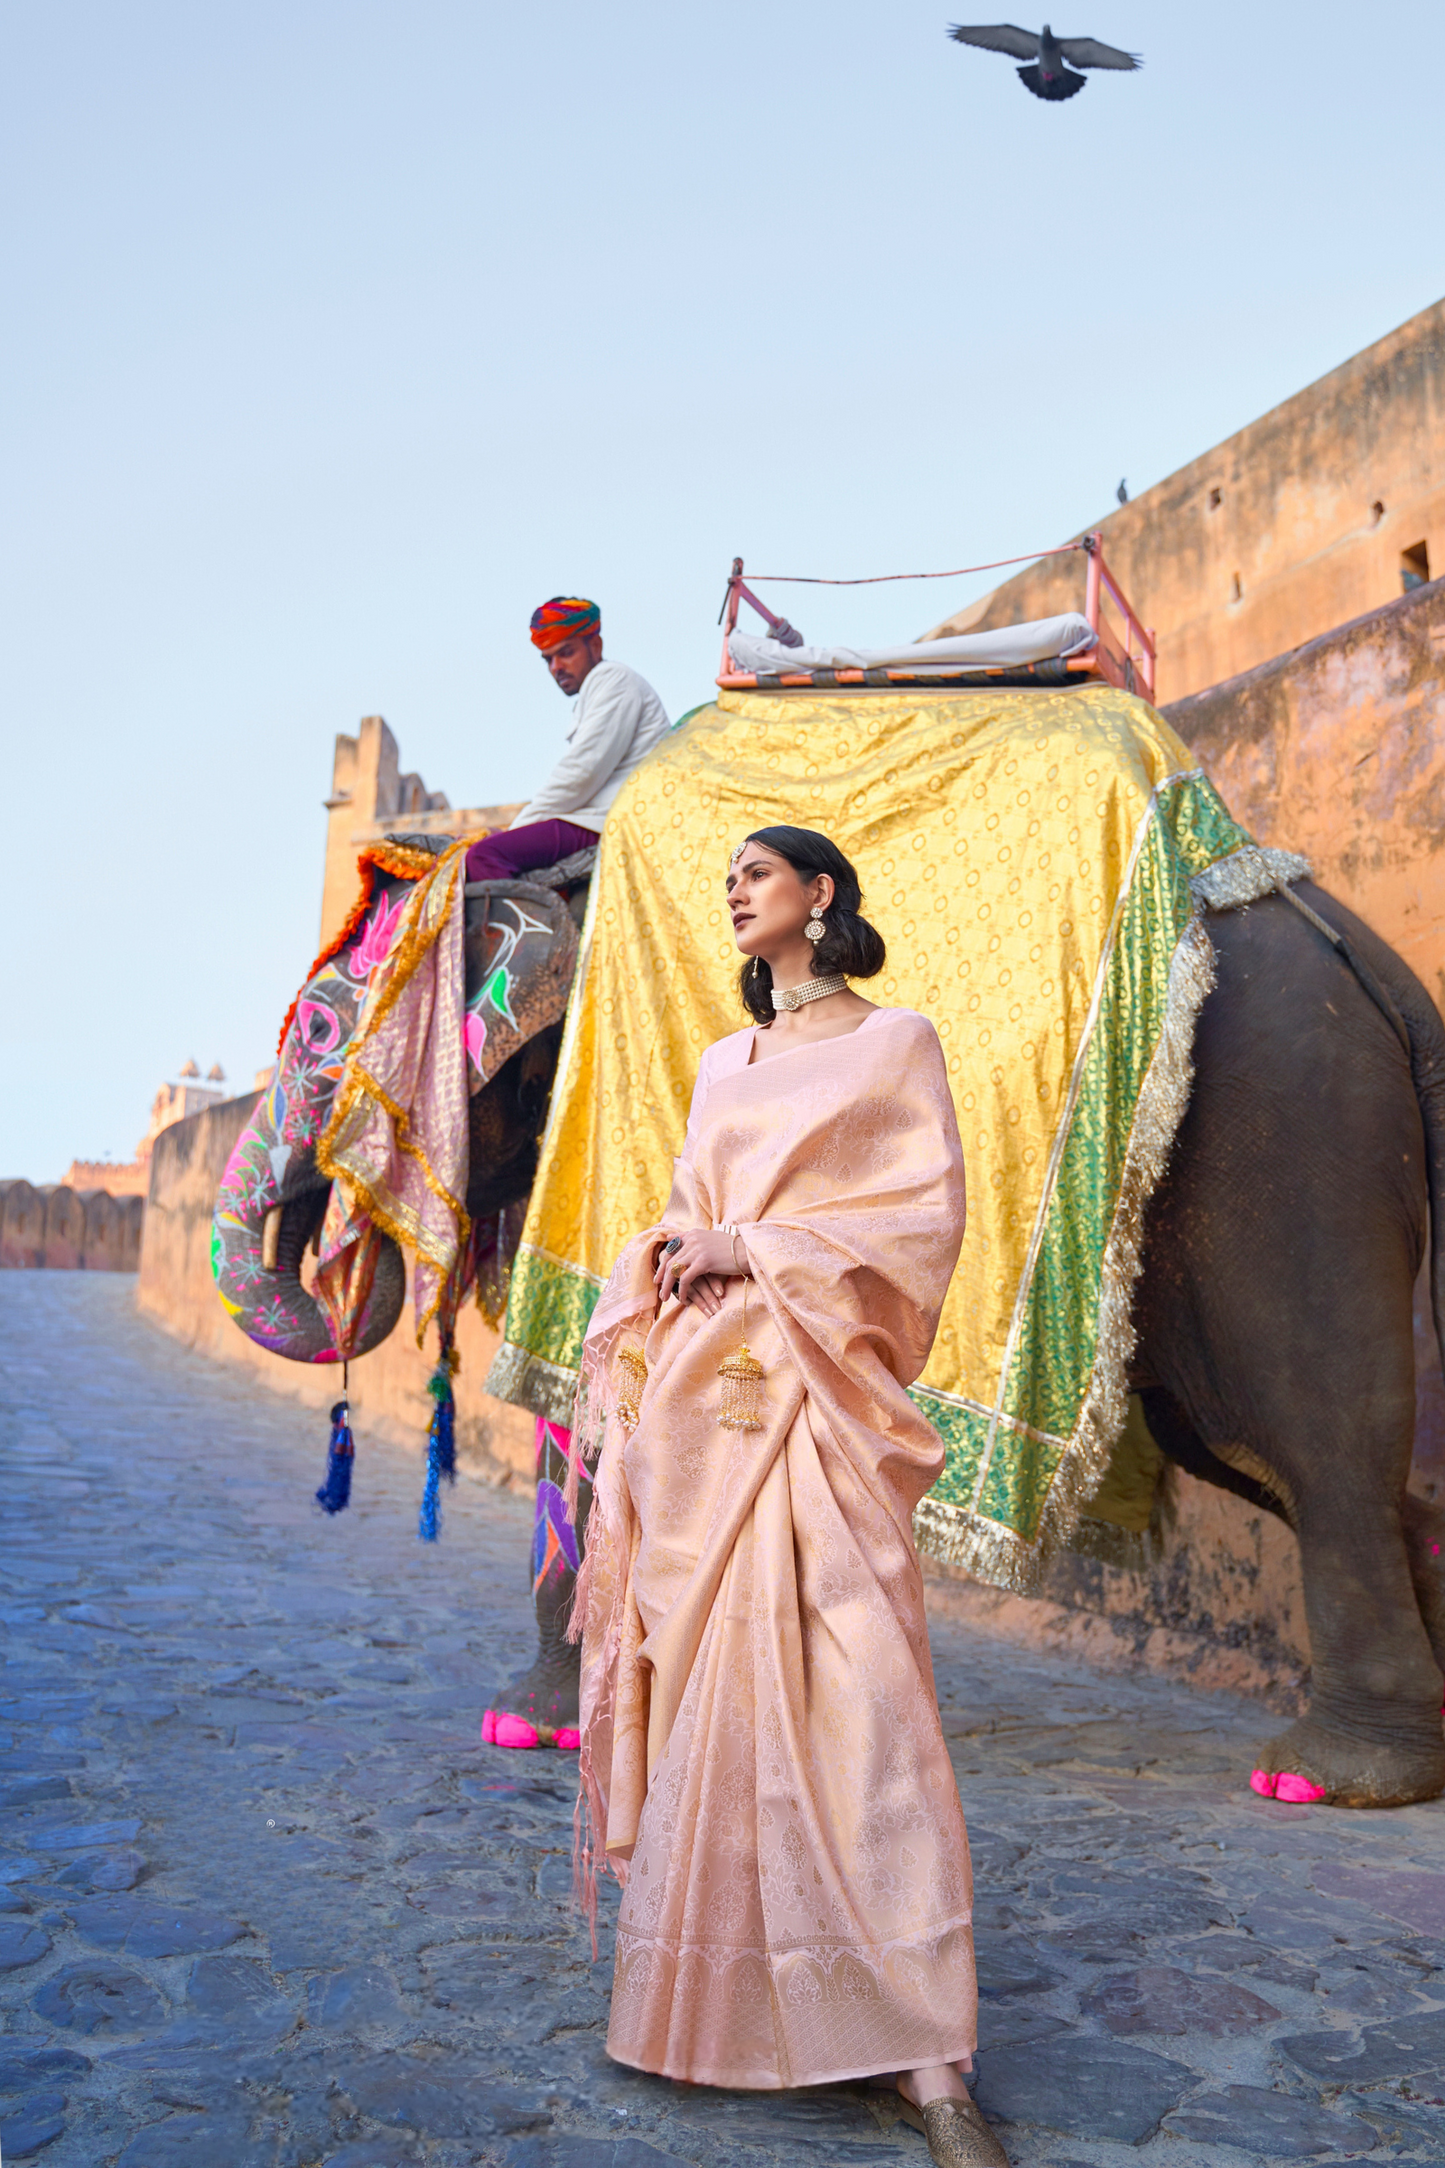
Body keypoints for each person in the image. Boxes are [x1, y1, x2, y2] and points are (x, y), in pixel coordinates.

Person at [568, 827, 1008, 2168]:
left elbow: (917, 1224)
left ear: (820, 895)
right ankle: (735, 2001)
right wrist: (673, 1251)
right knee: (717, 1699)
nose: (735, 888)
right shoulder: (723, 1064)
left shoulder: (895, 1043)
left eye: (759, 871)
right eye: (729, 877)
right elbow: (685, 1212)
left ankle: (929, 2055)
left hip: (821, 1405)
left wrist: (751, 1243)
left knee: (868, 1705)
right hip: (708, 1403)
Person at [464, 597, 670, 883]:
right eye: (548, 659)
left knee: (483, 855)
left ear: (595, 645)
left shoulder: (614, 680)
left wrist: (517, 829)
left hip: (607, 821)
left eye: (566, 653)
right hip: (594, 818)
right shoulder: (598, 688)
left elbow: (580, 775)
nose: (556, 667)